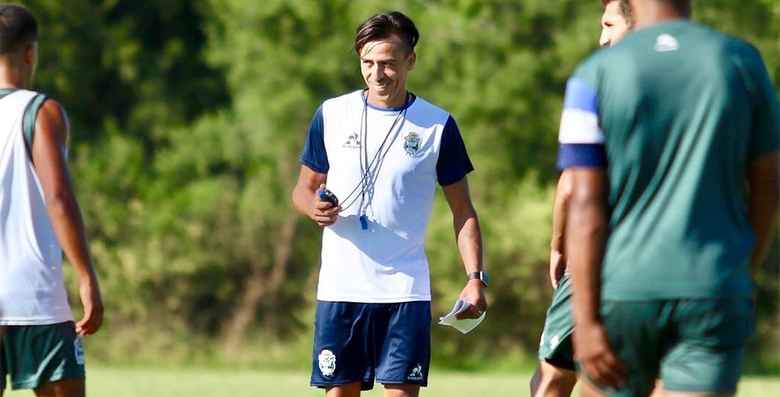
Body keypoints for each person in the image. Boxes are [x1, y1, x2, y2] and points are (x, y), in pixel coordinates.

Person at [559, 0, 780, 396]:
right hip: (712, 285)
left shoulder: (593, 74)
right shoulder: (741, 61)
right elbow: (769, 184)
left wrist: (586, 321)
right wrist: (743, 269)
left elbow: (584, 205)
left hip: (622, 291)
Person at [291, 11, 487, 397]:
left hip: (405, 290)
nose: (377, 74)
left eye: (388, 64)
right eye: (368, 63)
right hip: (341, 287)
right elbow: (304, 188)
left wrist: (475, 278)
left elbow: (463, 211)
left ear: (410, 61)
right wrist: (313, 206)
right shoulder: (331, 114)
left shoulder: (437, 125)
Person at [0, 5, 104, 397]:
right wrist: (85, 276)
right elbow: (58, 198)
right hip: (33, 294)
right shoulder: (40, 111)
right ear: (30, 52)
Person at [531, 1, 632, 396]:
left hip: (596, 253)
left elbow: (573, 182)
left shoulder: (598, 83)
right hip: (661, 260)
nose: (602, 37)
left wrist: (558, 245)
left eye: (609, 24)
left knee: (553, 376)